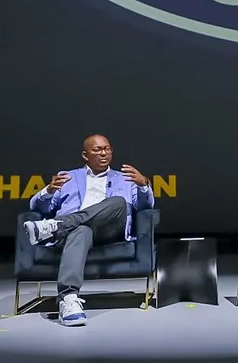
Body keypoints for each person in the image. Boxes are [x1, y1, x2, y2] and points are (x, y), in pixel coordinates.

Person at [23, 134, 156, 326]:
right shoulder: (68, 176)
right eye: (97, 150)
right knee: (81, 229)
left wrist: (143, 184)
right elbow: (37, 207)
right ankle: (68, 300)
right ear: (85, 155)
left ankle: (58, 225)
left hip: (110, 232)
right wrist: (48, 191)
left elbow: (145, 207)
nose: (104, 153)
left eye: (107, 149)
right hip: (77, 235)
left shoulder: (125, 178)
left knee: (118, 203)